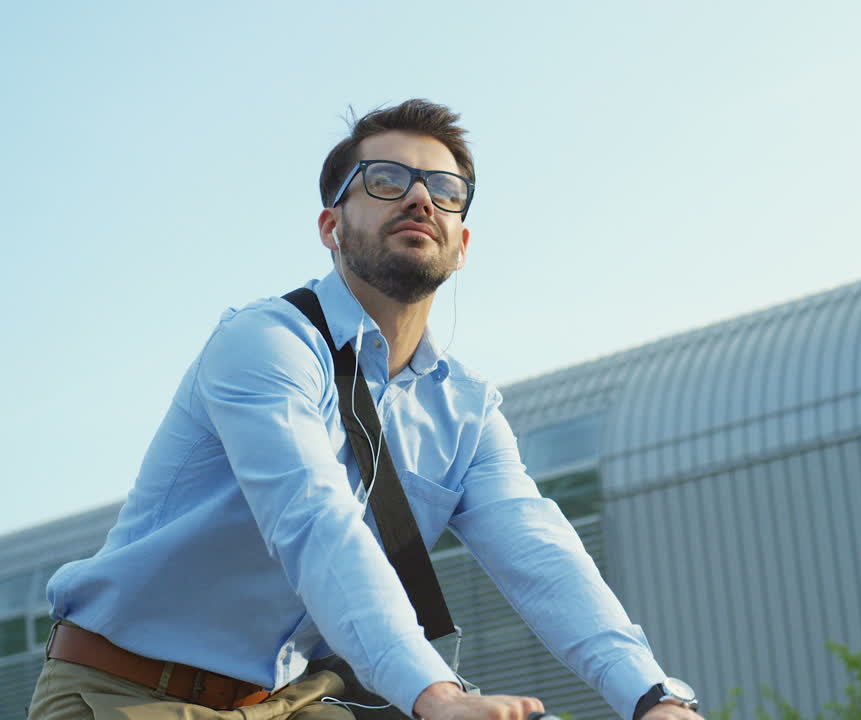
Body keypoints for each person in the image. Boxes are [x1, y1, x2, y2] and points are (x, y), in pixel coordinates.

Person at [29, 99, 701, 720]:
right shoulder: (264, 344)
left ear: (462, 245)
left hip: (286, 701)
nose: (418, 197)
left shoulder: (465, 412)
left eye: (444, 191)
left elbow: (543, 557)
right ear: (332, 226)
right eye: (384, 180)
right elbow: (314, 519)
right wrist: (433, 693)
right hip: (125, 690)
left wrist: (653, 697)